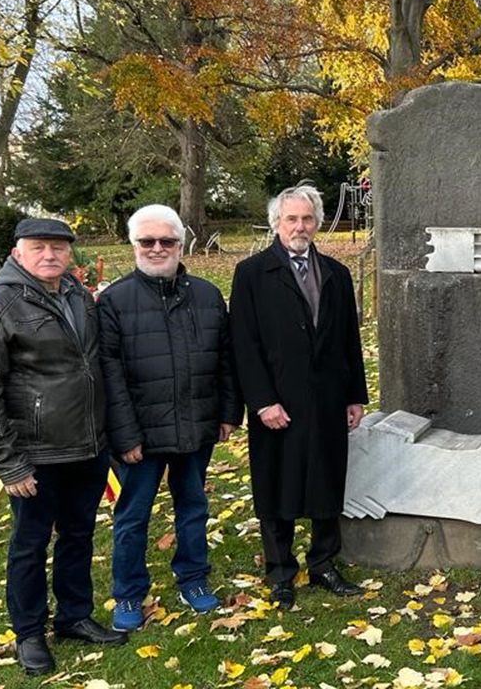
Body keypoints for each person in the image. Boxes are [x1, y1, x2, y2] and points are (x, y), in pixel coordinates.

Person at [0, 219, 127, 675]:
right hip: (35, 454)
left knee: (79, 535)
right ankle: (29, 632)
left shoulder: (77, 296)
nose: (49, 255)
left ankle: (74, 615)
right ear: (17, 252)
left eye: (58, 247)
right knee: (29, 546)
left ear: (70, 254)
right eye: (39, 247)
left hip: (88, 447)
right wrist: (7, 463)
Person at [97, 205, 242, 631]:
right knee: (132, 515)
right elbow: (109, 374)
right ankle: (127, 592)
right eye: (147, 241)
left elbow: (226, 360)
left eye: (167, 241)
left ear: (181, 244)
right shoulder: (113, 302)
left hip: (197, 423)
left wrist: (229, 412)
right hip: (140, 433)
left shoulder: (207, 294)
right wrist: (124, 436)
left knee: (193, 506)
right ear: (133, 246)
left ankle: (193, 577)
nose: (157, 248)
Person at [231, 184, 370, 609]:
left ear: (318, 222)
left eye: (307, 219)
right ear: (277, 222)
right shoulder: (252, 273)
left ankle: (324, 563)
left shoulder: (336, 274)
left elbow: (349, 339)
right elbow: (243, 343)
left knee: (327, 480)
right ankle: (280, 571)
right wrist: (262, 401)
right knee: (277, 484)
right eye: (291, 218)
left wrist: (354, 395)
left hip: (327, 397)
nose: (300, 226)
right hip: (277, 401)